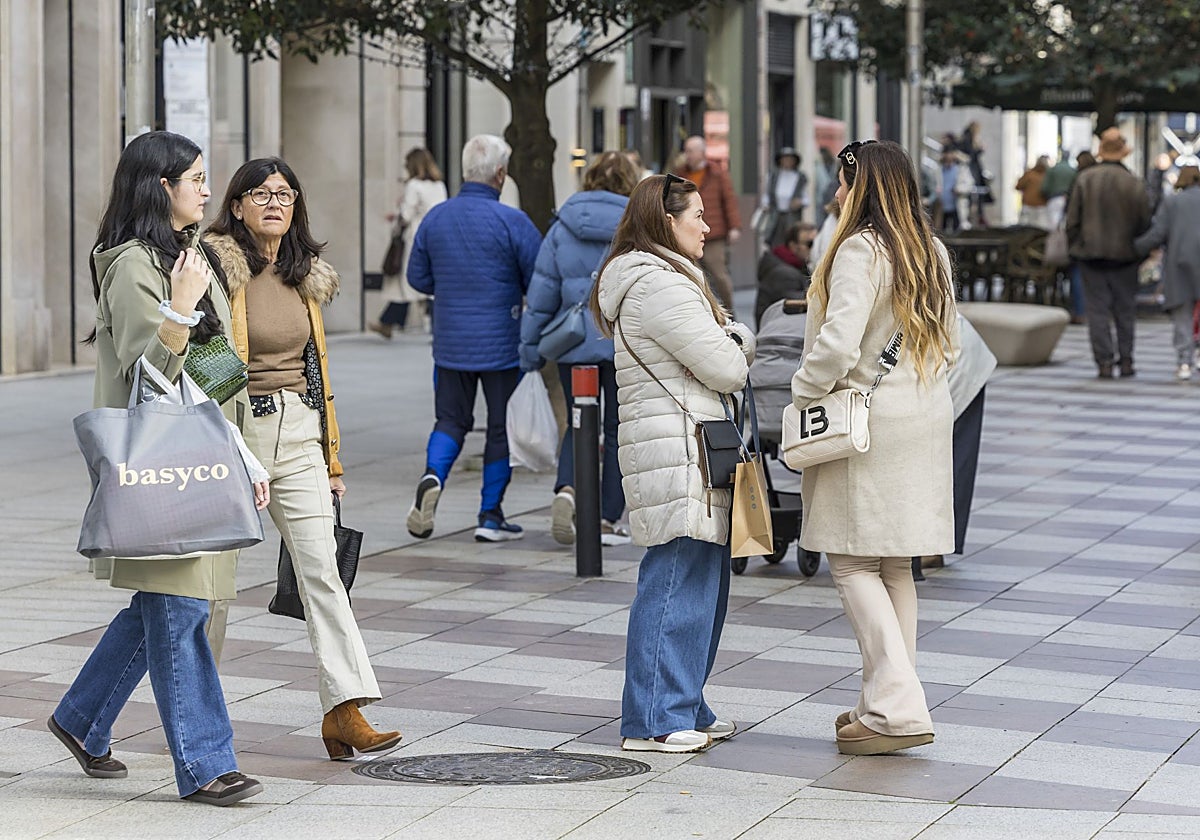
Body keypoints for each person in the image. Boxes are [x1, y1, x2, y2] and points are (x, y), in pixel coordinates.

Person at [50, 131, 266, 806]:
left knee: (163, 605)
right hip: (163, 468)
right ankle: (205, 764)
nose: (207, 189)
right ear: (160, 186)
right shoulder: (131, 265)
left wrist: (245, 455)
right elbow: (149, 371)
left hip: (197, 459)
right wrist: (180, 304)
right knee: (181, 612)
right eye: (195, 178)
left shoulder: (186, 254)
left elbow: (214, 370)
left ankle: (82, 717)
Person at [204, 158, 404, 761]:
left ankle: (345, 709)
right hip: (232, 434)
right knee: (213, 586)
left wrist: (331, 458)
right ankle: (198, 713)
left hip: (297, 431)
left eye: (285, 194)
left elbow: (317, 373)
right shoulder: (215, 266)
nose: (274, 203)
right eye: (261, 193)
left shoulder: (305, 275)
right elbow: (203, 357)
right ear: (236, 205)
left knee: (323, 571)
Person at [791, 140, 958, 756]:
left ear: (861, 188)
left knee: (851, 563)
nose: (836, 193)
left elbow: (838, 344)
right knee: (894, 565)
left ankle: (896, 706)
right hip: (923, 413)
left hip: (866, 423)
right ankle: (883, 701)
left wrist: (803, 389)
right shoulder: (930, 250)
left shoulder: (859, 249)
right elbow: (952, 343)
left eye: (843, 183)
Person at [593, 173, 755, 754]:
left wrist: (725, 338)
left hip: (686, 447)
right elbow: (729, 367)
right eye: (698, 216)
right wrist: (737, 337)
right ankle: (654, 719)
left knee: (699, 584)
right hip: (677, 452)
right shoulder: (659, 286)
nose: (708, 227)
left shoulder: (664, 280)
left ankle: (685, 702)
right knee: (675, 582)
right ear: (667, 222)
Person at [405, 134, 542, 542]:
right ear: (500, 174)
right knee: (500, 427)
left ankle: (433, 475)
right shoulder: (513, 222)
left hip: (450, 343)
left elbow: (417, 277)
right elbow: (538, 280)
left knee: (450, 420)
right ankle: (490, 516)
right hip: (503, 346)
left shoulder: (436, 218)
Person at [518, 151, 639, 546]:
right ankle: (606, 517)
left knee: (577, 421)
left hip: (572, 344)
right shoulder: (637, 227)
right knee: (617, 429)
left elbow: (542, 294)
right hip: (620, 342)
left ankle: (567, 489)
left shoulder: (562, 226)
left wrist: (529, 349)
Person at [1066, 128, 1152, 378]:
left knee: (1097, 311)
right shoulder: (1134, 183)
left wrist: (1077, 245)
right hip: (1125, 255)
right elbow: (1145, 223)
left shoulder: (1085, 179)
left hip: (1091, 254)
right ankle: (1126, 360)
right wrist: (1138, 250)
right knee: (1125, 310)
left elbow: (1072, 222)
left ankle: (1104, 361)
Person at [370, 148, 447, 338]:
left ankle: (390, 322)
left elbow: (406, 215)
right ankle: (390, 322)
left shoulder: (414, 185)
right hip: (437, 236)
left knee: (408, 281)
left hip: (415, 237)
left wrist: (399, 212)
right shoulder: (439, 186)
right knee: (429, 282)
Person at [1134, 165, 1200, 380]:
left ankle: (1184, 362)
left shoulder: (1172, 202)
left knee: (1182, 314)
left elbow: (1158, 233)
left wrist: (1134, 248)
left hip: (1179, 265)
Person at [675, 136, 742, 314]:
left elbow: (729, 200)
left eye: (691, 151)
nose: (687, 155)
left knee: (719, 274)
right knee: (692, 273)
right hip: (688, 232)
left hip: (714, 233)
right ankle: (702, 311)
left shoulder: (717, 173)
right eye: (686, 151)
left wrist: (734, 227)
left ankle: (729, 311)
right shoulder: (680, 174)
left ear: (701, 152)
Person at [755, 220, 815, 324]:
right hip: (779, 329)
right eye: (810, 244)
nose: (814, 248)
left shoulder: (794, 265)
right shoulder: (784, 274)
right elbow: (797, 306)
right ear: (793, 246)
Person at [761, 147, 809, 247]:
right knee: (775, 242)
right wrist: (766, 205)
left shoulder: (800, 177)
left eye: (790, 159)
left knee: (791, 240)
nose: (787, 162)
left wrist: (799, 202)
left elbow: (806, 198)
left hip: (792, 216)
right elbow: (766, 195)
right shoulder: (772, 176)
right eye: (785, 159)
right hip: (776, 215)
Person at [938, 147, 974, 232]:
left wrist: (958, 190)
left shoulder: (961, 169)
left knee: (956, 229)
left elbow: (969, 185)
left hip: (956, 205)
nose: (949, 156)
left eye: (951, 154)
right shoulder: (939, 169)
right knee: (941, 231)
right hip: (942, 205)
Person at [1041, 151, 1077, 228]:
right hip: (1068, 199)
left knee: (1052, 225)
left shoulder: (1053, 170)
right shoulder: (1073, 171)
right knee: (1065, 224)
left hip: (1054, 198)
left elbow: (1045, 187)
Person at [1015, 156, 1051, 229]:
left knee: (1027, 227)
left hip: (1029, 203)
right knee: (1041, 227)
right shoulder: (1048, 175)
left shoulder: (1029, 174)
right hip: (1042, 204)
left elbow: (1018, 186)